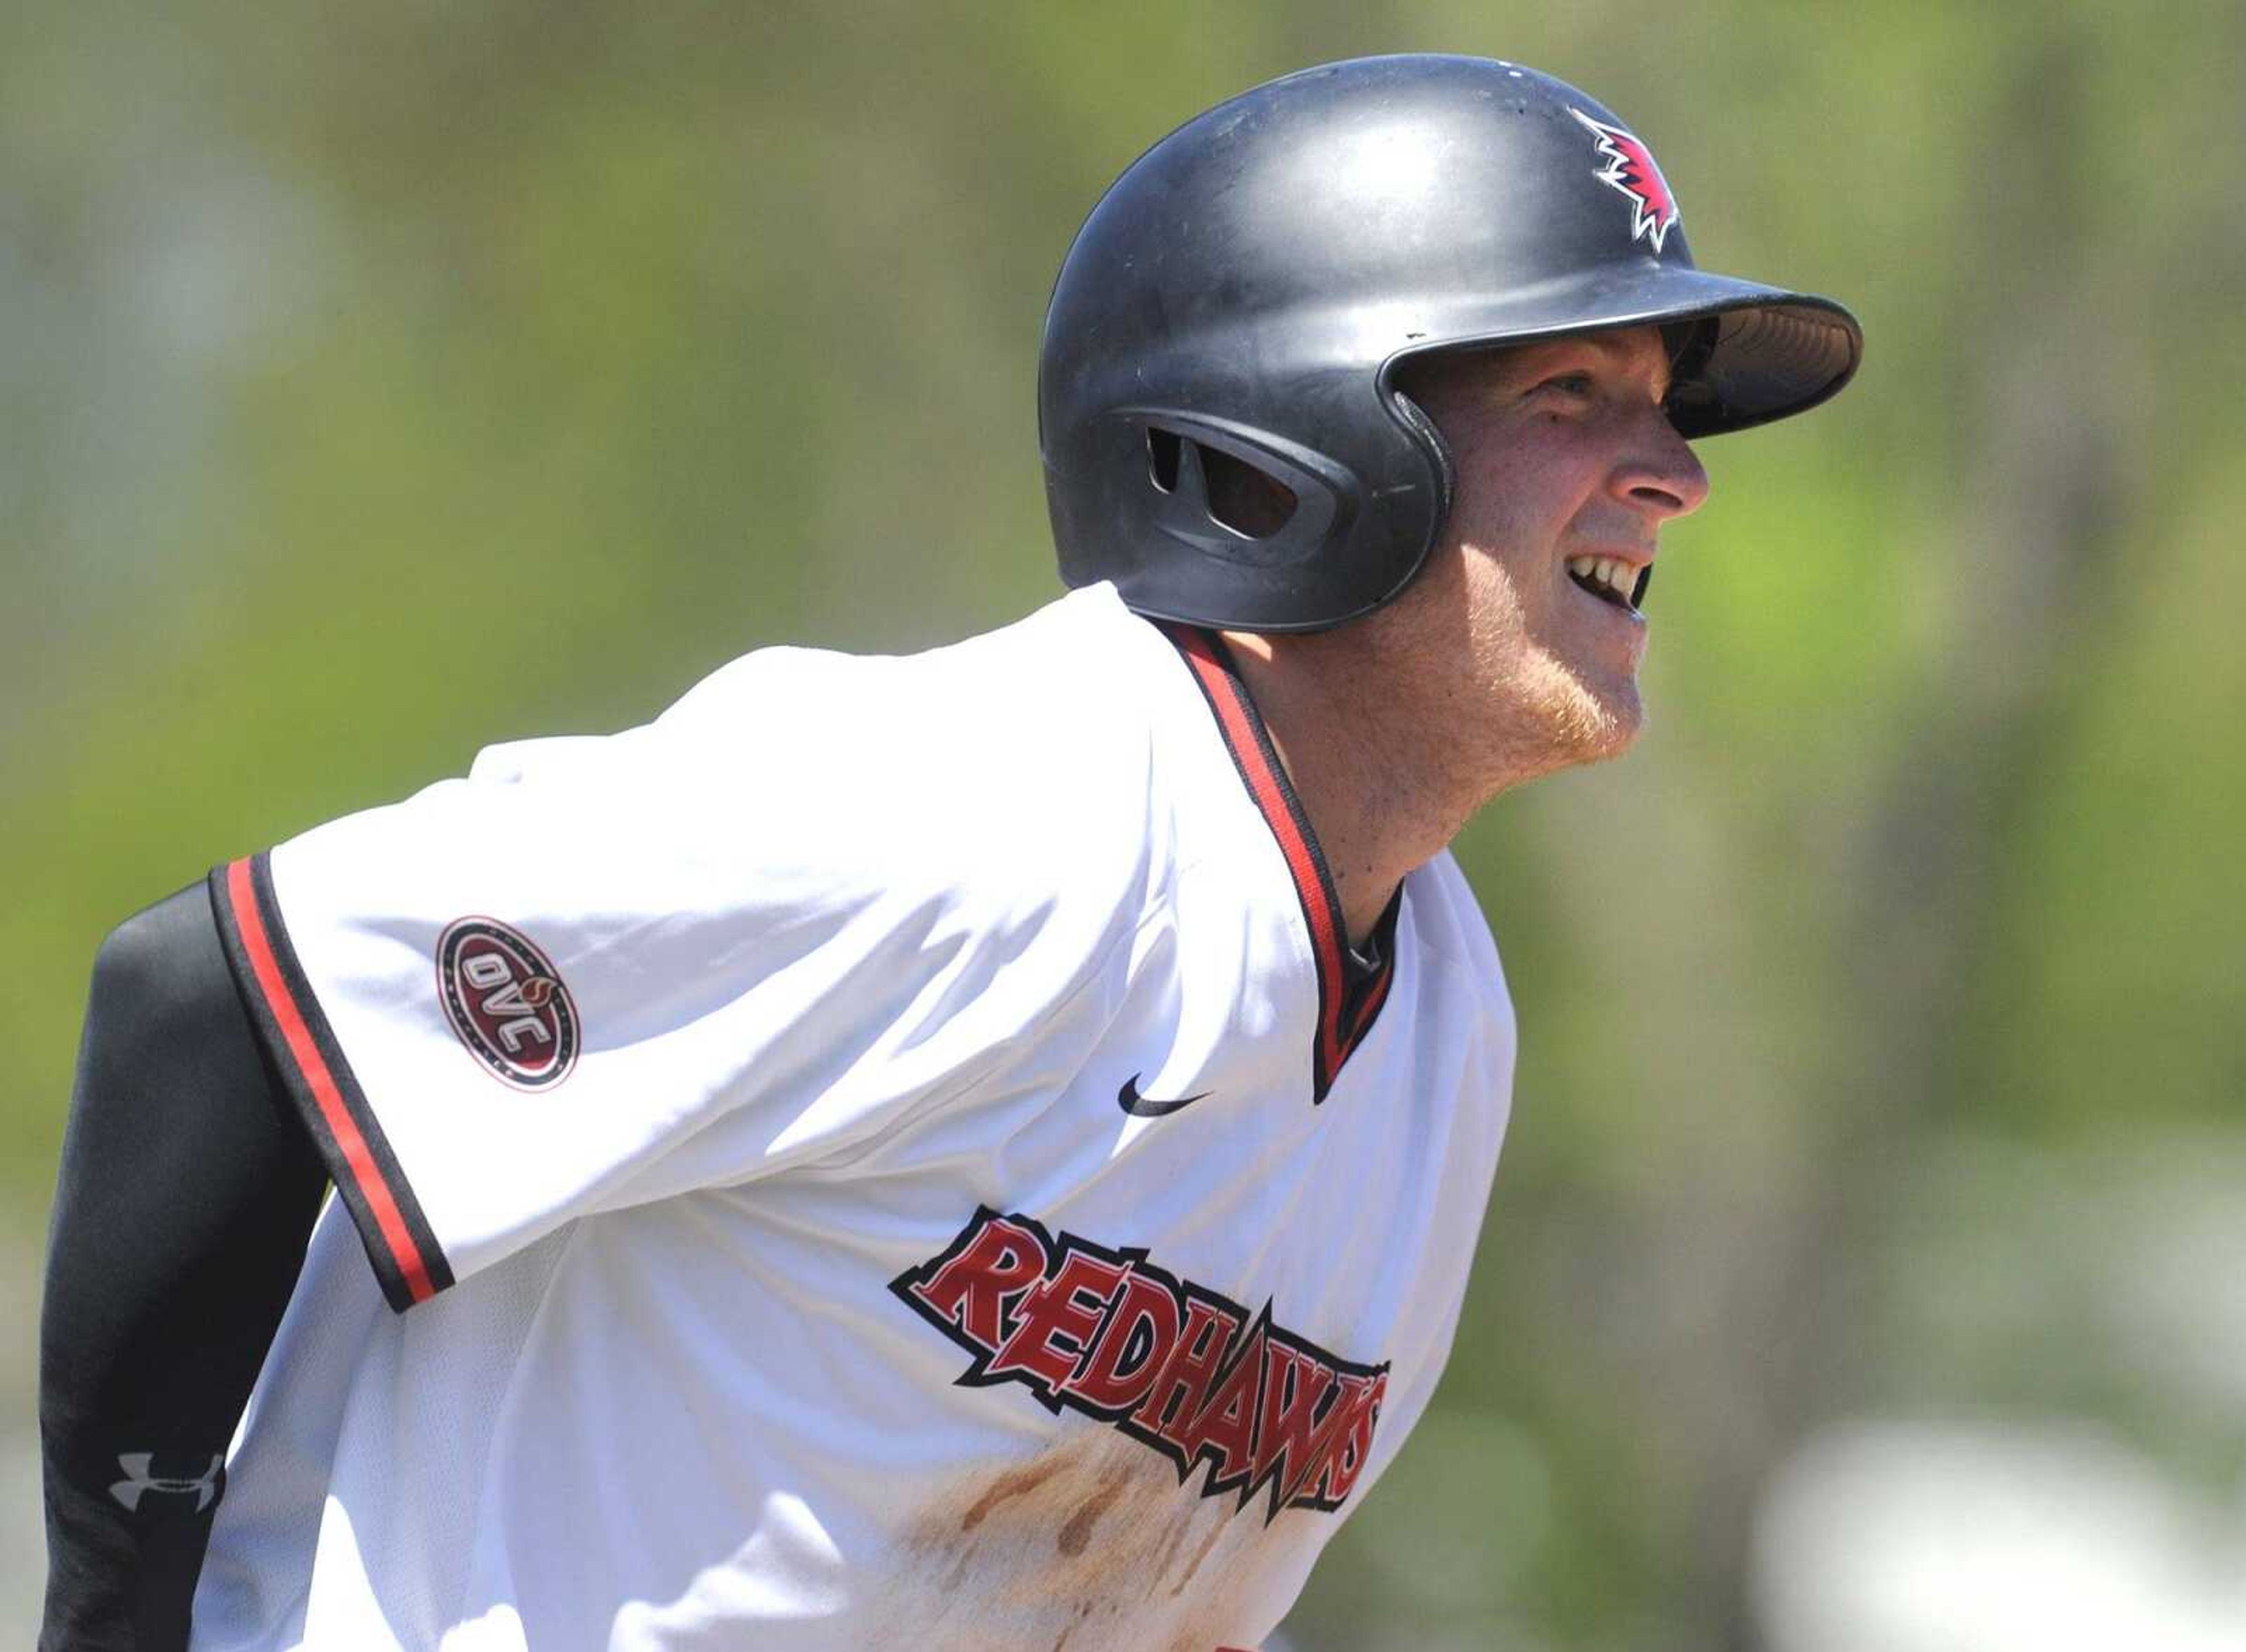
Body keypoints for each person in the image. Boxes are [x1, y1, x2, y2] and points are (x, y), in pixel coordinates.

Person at [39, 54, 1860, 1651]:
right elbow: (229, 992)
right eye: (1571, 394)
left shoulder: (1440, 1036)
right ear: (1286, 443)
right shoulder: (982, 812)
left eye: (1662, 406)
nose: (1675, 471)